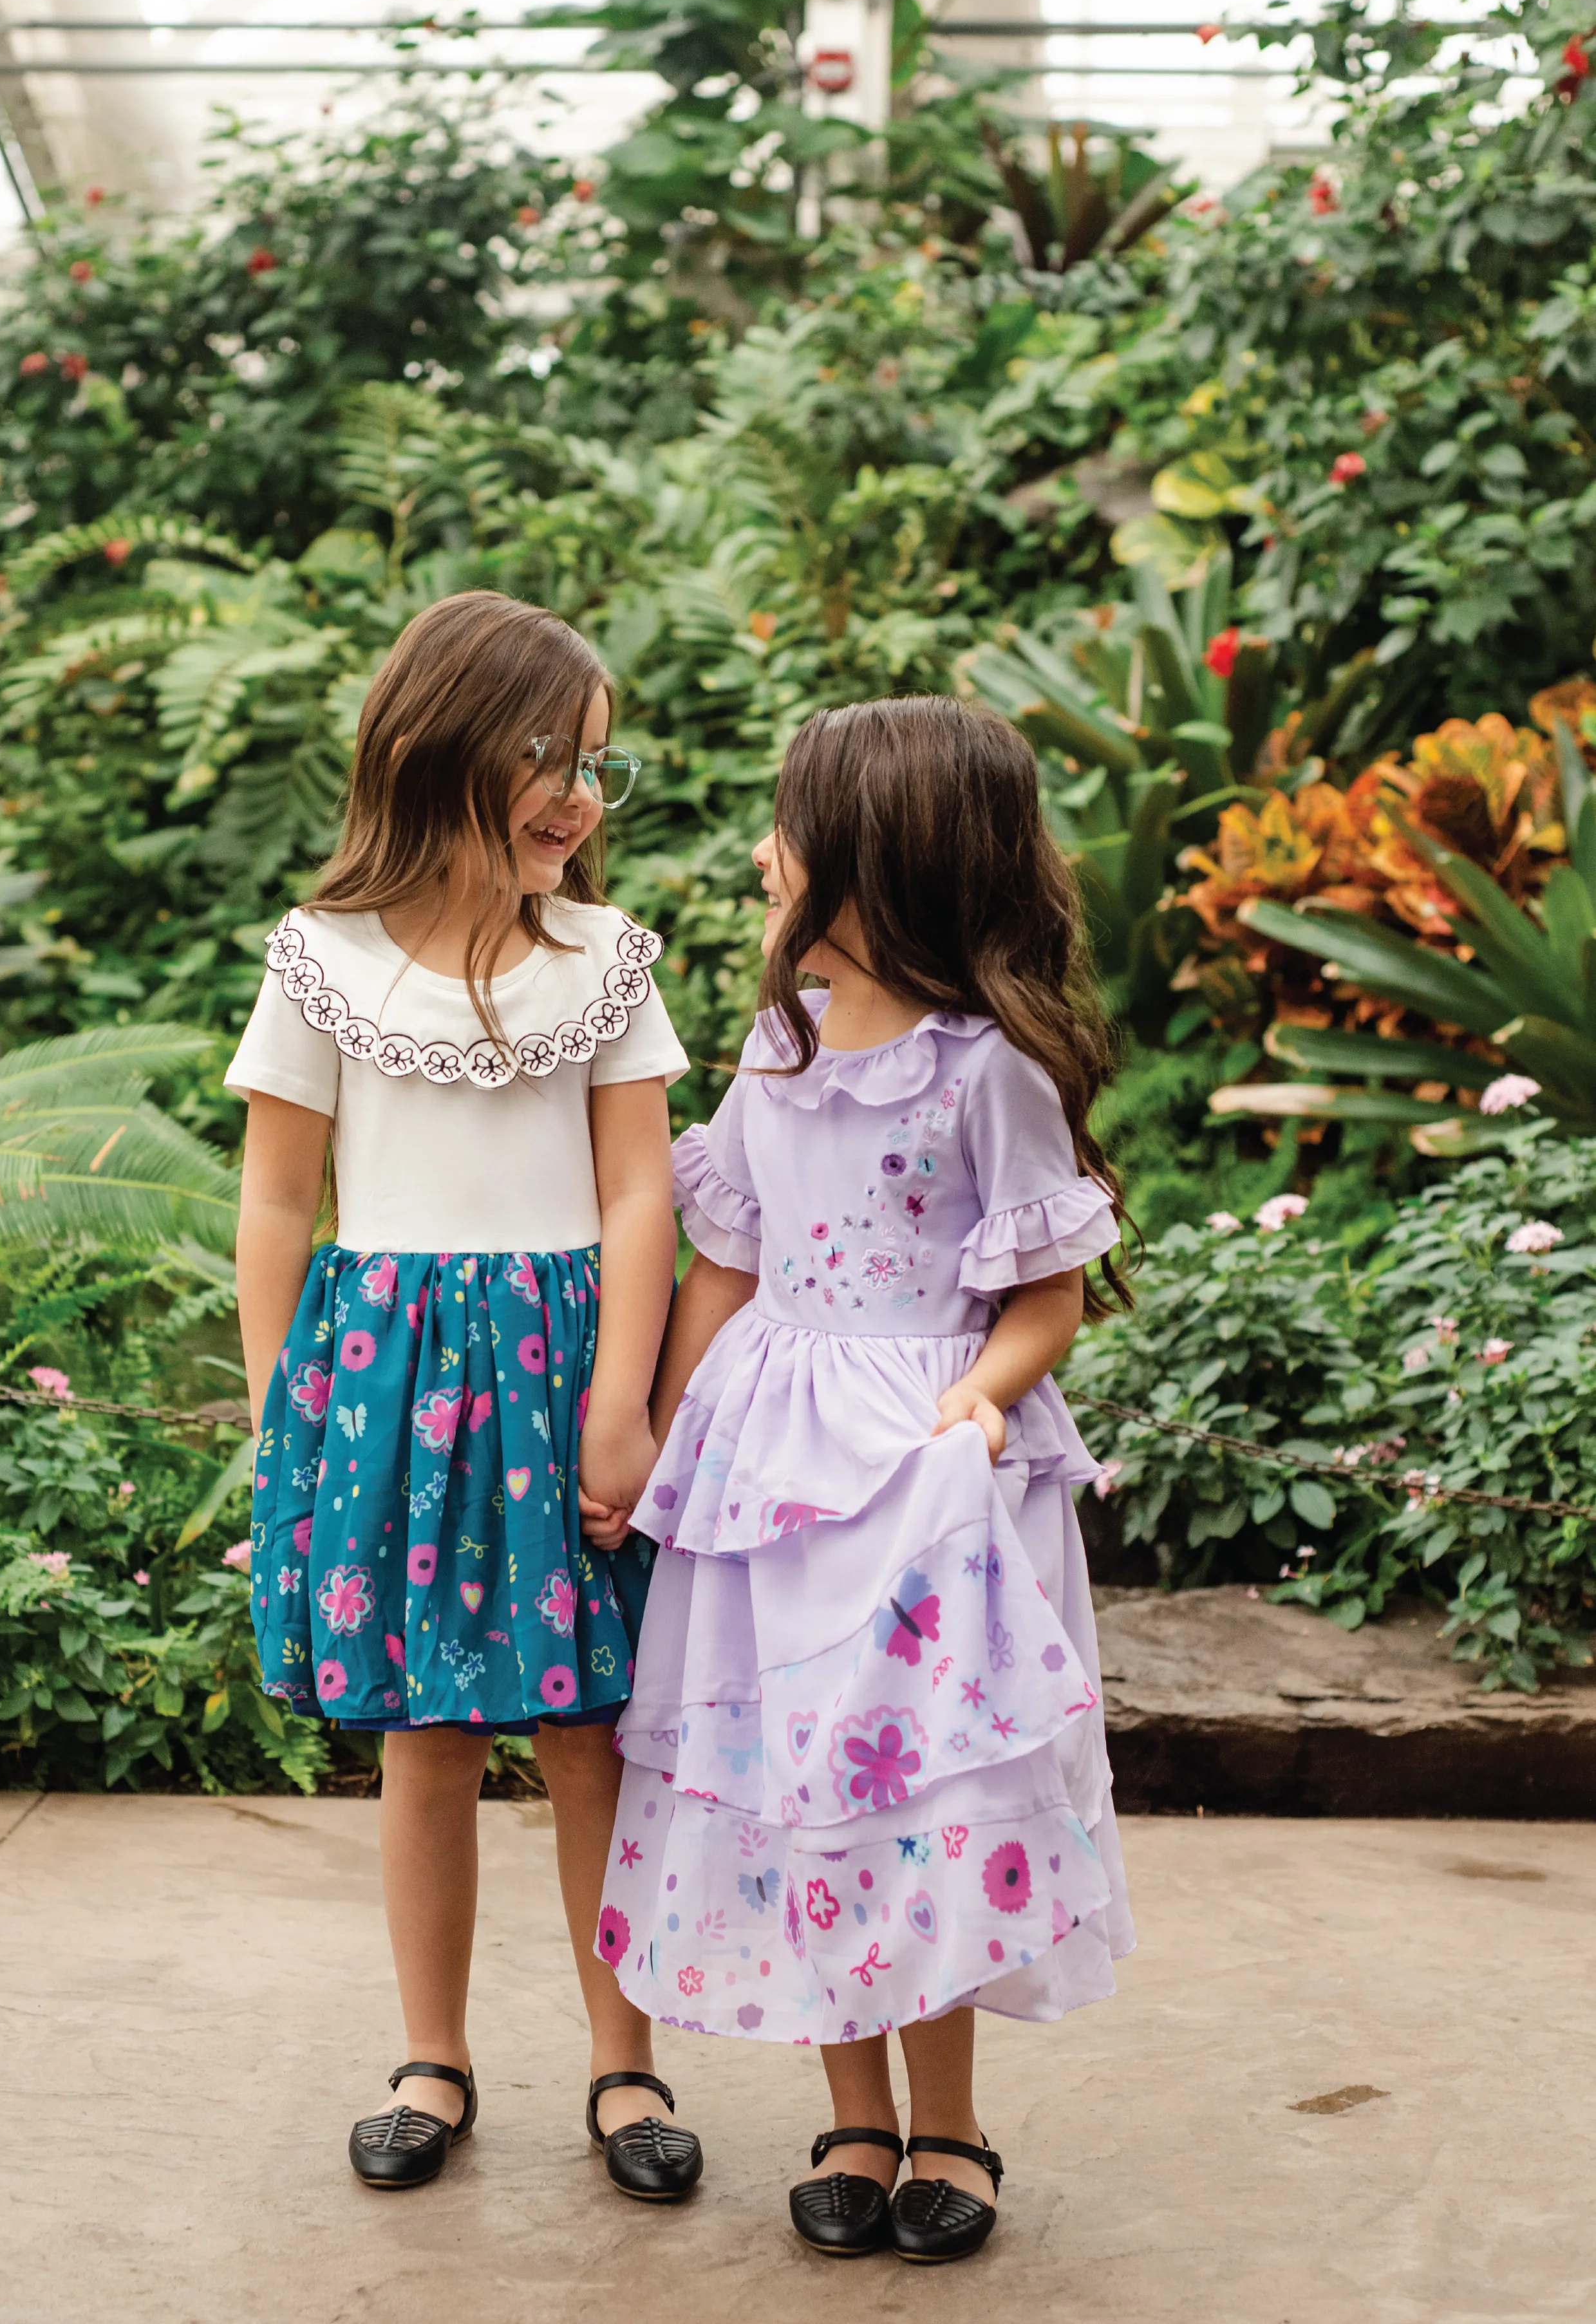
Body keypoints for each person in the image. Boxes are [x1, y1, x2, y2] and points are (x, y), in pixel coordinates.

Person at [592, 695, 1136, 2265]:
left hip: (929, 1477)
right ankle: (854, 2113)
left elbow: (1050, 1294)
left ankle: (949, 2120)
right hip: (775, 1468)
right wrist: (651, 1420)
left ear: (883, 859)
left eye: (794, 828)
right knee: (800, 1779)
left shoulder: (991, 1075)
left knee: (927, 1790)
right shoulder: (782, 1050)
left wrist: (973, 1405)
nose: (765, 854)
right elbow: (728, 1257)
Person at [229, 590, 704, 2202]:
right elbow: (280, 1204)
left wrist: (624, 1401)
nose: (581, 794)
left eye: (596, 765)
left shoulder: (604, 960)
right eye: (549, 759)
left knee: (591, 1731)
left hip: (571, 1373)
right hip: (381, 1379)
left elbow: (641, 1194)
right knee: (423, 1733)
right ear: (437, 753)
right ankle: (432, 2057)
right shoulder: (322, 962)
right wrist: (277, 1409)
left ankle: (623, 2061)